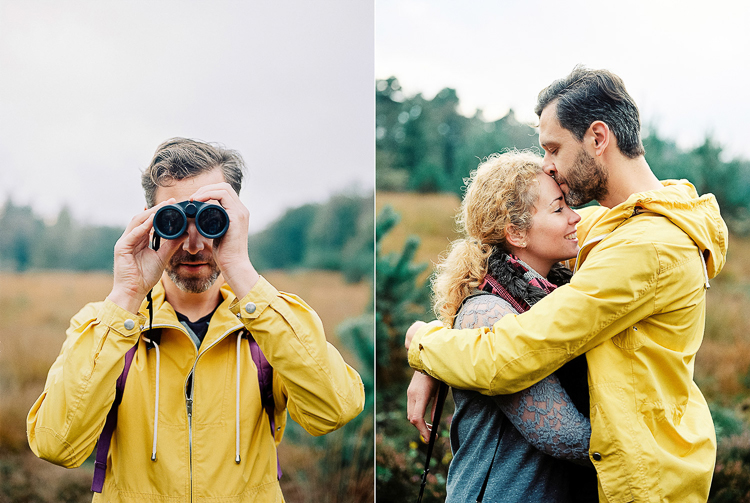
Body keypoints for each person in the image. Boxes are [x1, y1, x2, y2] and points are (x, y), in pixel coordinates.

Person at [405, 66, 727, 502]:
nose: (547, 164)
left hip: (643, 484)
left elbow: (513, 353)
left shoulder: (646, 245)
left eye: (553, 148)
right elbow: (500, 257)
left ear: (598, 138)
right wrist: (444, 343)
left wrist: (423, 344)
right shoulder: (610, 224)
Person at [27, 138, 365, 502]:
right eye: (173, 220)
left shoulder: (268, 325)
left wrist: (240, 270)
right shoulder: (105, 325)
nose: (192, 243)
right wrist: (126, 295)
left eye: (210, 218)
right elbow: (56, 445)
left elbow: (335, 409)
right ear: (150, 222)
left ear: (235, 218)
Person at [420, 150, 597, 502]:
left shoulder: (562, 295)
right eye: (559, 208)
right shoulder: (487, 312)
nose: (576, 217)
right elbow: (564, 435)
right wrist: (652, 443)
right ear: (516, 232)